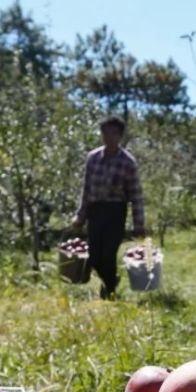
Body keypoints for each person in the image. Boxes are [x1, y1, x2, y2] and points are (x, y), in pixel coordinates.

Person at [72, 116, 145, 299]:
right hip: (95, 211)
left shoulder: (128, 162)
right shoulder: (93, 158)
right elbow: (87, 189)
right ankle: (111, 280)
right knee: (94, 255)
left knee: (108, 254)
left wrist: (139, 224)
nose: (107, 137)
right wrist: (81, 215)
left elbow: (135, 195)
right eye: (104, 132)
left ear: (120, 136)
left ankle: (109, 292)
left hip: (115, 212)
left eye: (112, 133)